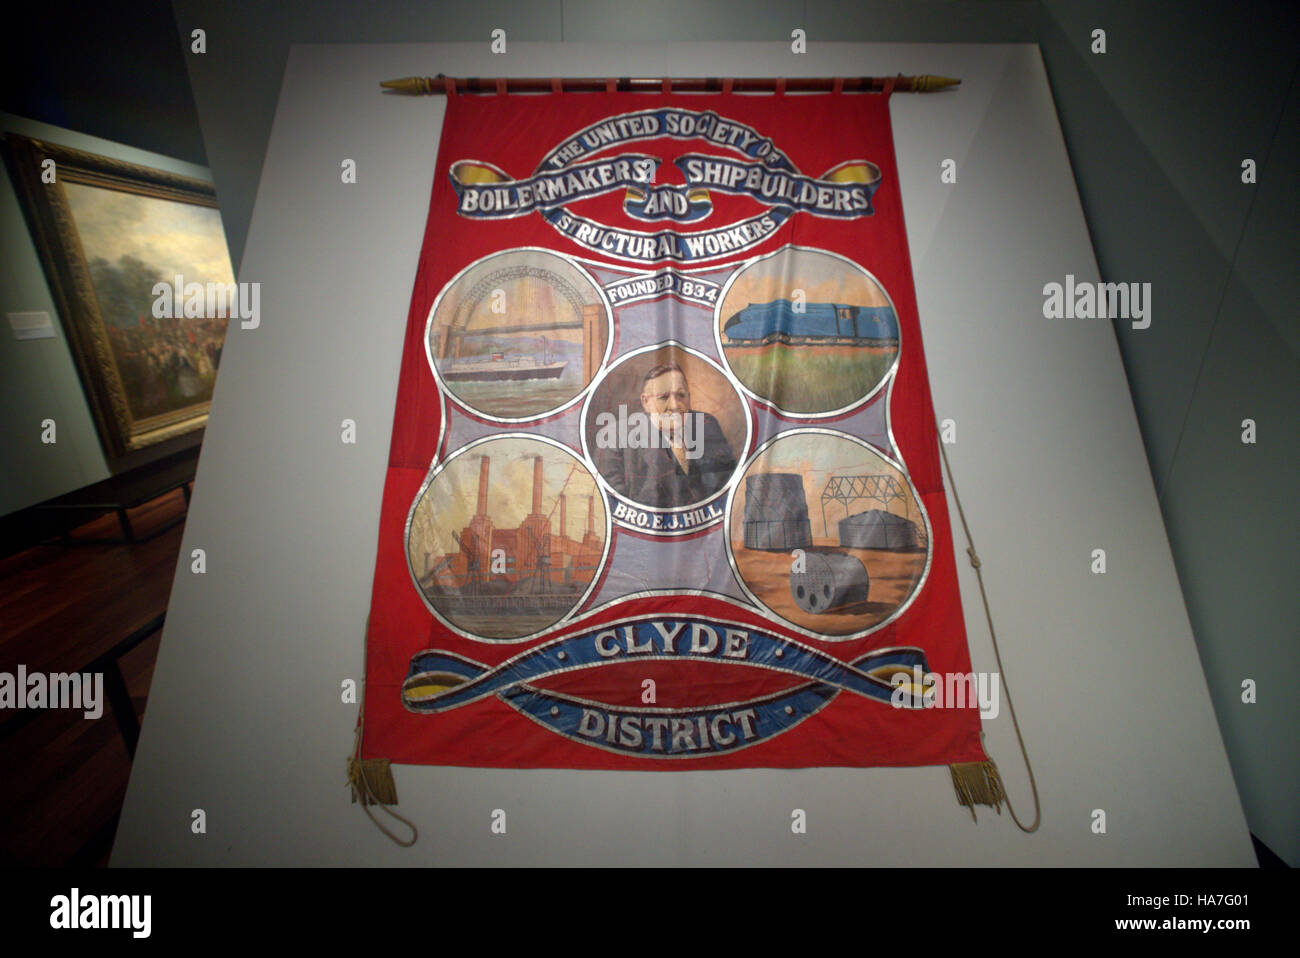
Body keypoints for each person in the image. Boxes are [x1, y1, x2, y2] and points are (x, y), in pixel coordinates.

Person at [598, 361, 737, 508]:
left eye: (681, 395)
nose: (675, 405)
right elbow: (613, 506)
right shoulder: (615, 437)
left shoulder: (707, 426)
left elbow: (727, 489)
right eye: (664, 397)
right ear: (646, 402)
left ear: (689, 397)